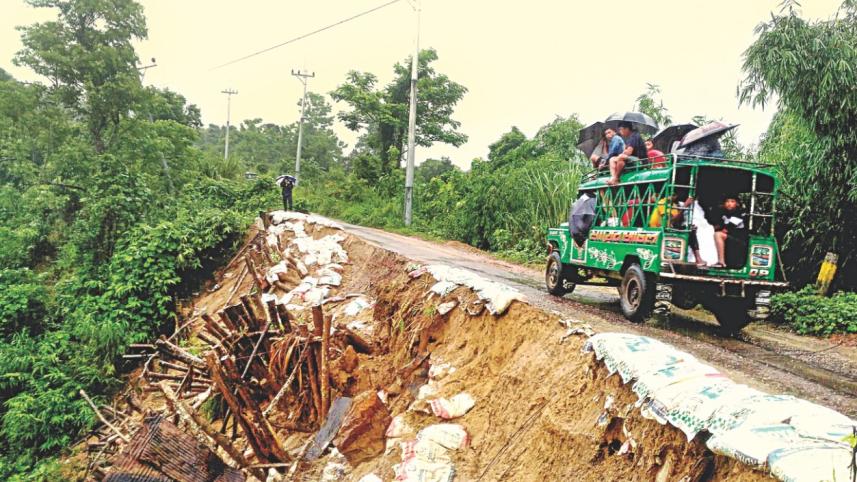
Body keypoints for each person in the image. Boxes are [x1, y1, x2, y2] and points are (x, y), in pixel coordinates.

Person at [710, 195, 748, 268]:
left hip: (739, 239)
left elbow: (728, 228)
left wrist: (719, 229)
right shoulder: (724, 213)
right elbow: (719, 225)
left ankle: (721, 262)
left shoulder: (739, 213)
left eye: (732, 201)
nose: (729, 204)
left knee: (718, 235)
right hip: (730, 237)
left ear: (737, 204)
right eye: (727, 201)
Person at [607, 121, 647, 185]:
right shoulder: (628, 138)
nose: (620, 131)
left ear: (627, 129)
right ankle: (613, 177)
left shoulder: (634, 136)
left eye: (621, 129)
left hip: (640, 161)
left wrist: (620, 155)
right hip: (632, 159)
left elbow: (628, 152)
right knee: (611, 159)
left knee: (621, 158)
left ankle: (616, 178)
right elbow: (626, 151)